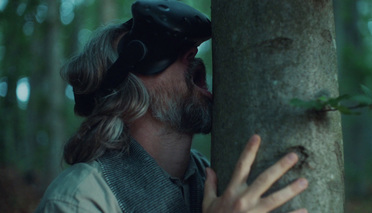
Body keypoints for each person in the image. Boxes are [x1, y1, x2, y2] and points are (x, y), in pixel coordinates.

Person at [35, 0, 308, 212]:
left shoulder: (217, 178)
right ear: (124, 90)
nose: (193, 52)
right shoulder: (80, 200)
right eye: (155, 50)